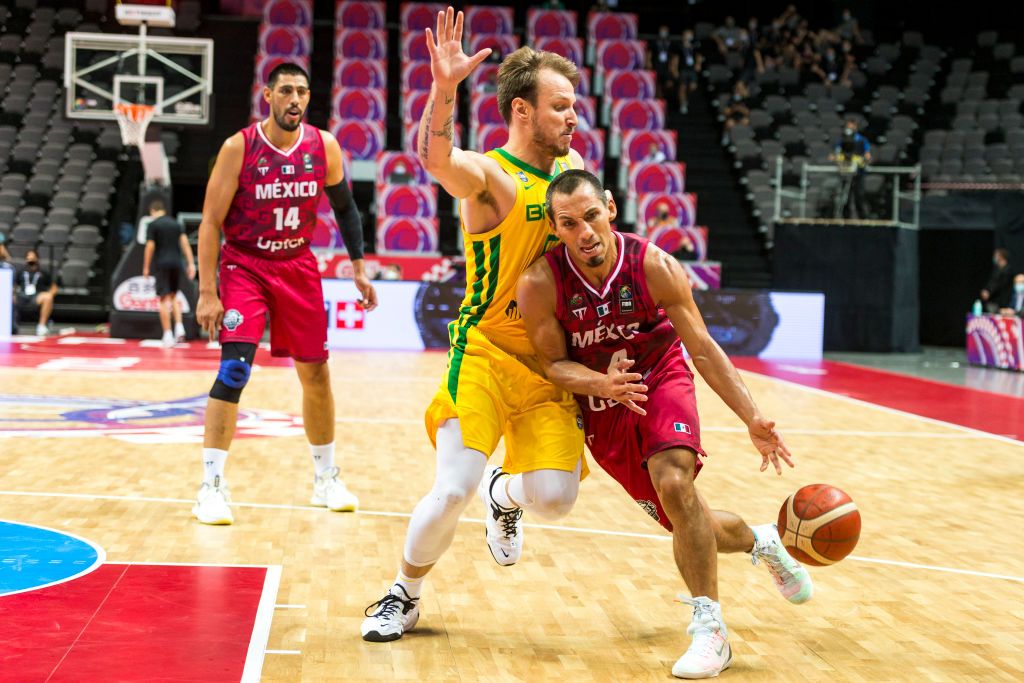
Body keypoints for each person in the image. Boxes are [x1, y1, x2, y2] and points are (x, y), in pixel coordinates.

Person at [517, 170, 812, 679]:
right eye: (569, 223)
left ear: (610, 208)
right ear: (555, 226)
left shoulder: (654, 265)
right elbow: (553, 365)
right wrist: (599, 384)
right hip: (605, 404)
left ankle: (711, 631)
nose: (584, 231)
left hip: (660, 376)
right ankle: (762, 540)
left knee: (675, 482)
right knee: (688, 519)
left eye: (591, 216)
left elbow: (701, 347)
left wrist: (751, 417)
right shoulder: (540, 283)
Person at [361, 8, 587, 642]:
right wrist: (444, 88)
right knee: (452, 487)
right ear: (522, 111)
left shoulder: (577, 189)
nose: (573, 117)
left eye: (574, 107)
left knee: (556, 498)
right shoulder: (490, 177)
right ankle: (402, 593)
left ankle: (505, 497)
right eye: (561, 106)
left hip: (548, 364)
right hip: (484, 352)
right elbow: (436, 159)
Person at [192, 62, 377, 525]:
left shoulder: (323, 145)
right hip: (245, 265)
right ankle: (211, 486)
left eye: (302, 92)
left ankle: (326, 479)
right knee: (234, 369)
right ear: (268, 95)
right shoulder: (240, 147)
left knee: (316, 374)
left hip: (296, 264)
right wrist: (207, 292)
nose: (295, 100)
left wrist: (358, 266)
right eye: (287, 91)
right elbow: (210, 223)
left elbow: (346, 209)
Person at [142, 199, 195, 347]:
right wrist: (191, 263)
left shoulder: (153, 225)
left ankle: (167, 335)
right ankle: (179, 328)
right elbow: (185, 243)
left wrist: (146, 266)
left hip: (162, 263)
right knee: (173, 296)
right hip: (177, 263)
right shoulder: (175, 223)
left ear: (153, 212)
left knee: (163, 300)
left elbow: (150, 246)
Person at [829, 119, 871, 219]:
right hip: (845, 171)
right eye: (848, 126)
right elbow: (834, 155)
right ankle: (845, 218)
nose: (850, 128)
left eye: (852, 126)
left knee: (859, 197)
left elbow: (867, 155)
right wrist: (837, 157)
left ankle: (863, 219)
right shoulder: (842, 140)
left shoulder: (862, 140)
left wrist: (864, 159)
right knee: (844, 197)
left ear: (856, 127)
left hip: (858, 173)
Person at [14, 249, 57, 337]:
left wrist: (51, 294)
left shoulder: (43, 272)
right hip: (22, 296)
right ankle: (9, 325)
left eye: (32, 257)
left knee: (47, 297)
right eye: (28, 257)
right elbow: (14, 285)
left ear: (37, 259)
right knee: (7, 297)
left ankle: (41, 326)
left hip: (36, 297)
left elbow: (54, 287)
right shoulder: (21, 271)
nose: (30, 259)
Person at [673, 29, 703, 114]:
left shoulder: (695, 45)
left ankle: (686, 98)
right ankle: (683, 105)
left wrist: (698, 64)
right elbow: (675, 58)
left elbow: (699, 55)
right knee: (682, 87)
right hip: (682, 69)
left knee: (692, 87)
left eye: (690, 34)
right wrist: (675, 69)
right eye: (687, 35)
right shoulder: (679, 46)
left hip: (692, 69)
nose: (689, 36)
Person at [981, 248, 1013, 314]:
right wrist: (987, 290)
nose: (995, 258)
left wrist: (989, 291)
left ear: (1001, 257)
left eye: (996, 256)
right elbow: (992, 282)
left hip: (1003, 301)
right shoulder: (996, 269)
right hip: (993, 300)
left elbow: (999, 284)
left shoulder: (1007, 271)